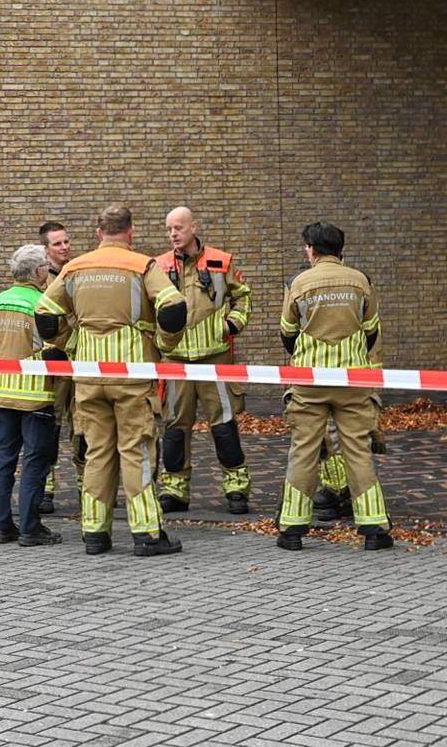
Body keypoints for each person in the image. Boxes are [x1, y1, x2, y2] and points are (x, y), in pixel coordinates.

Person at [35, 204, 188, 557]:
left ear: (98, 233)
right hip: (132, 376)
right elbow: (173, 309)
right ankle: (148, 534)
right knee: (136, 452)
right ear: (131, 232)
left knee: (98, 453)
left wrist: (70, 343)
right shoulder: (142, 265)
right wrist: (163, 346)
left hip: (88, 378)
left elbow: (44, 314)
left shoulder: (74, 267)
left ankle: (95, 533)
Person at [275, 222, 392, 552]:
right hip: (353, 382)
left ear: (311, 248)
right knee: (356, 450)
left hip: (309, 384)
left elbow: (287, 332)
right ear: (340, 250)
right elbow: (371, 331)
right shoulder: (360, 281)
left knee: (304, 450)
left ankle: (292, 530)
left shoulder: (299, 283)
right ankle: (374, 529)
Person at [156, 206, 253, 515]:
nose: (173, 234)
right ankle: (174, 489)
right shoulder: (158, 266)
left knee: (223, 426)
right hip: (175, 361)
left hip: (215, 359)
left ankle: (237, 488)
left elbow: (243, 296)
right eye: (169, 228)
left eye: (178, 228)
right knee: (174, 428)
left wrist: (232, 325)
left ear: (194, 227)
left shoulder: (220, 261)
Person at [0, 244, 65, 546]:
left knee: (4, 462)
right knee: (35, 463)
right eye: (47, 270)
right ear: (40, 272)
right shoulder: (43, 304)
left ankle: (2, 528)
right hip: (36, 397)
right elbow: (55, 354)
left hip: (1, 398)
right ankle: (30, 528)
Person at [37, 219, 77, 517]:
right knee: (50, 426)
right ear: (45, 249)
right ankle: (45, 488)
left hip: (79, 359)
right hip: (52, 361)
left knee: (84, 427)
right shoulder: (38, 279)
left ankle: (86, 483)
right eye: (58, 243)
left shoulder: (76, 272)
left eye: (66, 241)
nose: (65, 247)